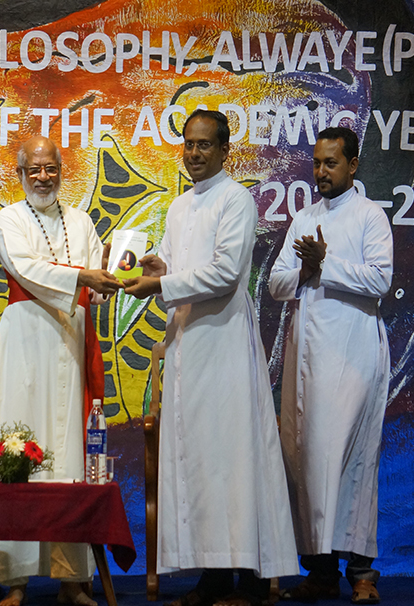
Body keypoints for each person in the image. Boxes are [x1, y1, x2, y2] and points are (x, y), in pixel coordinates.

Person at [123, 110, 298, 606]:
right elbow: (175, 275)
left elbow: (225, 274)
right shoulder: (179, 206)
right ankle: (215, 576)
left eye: (204, 145)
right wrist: (157, 271)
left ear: (224, 150)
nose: (194, 153)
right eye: (188, 144)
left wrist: (163, 281)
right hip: (188, 344)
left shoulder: (235, 199)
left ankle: (253, 579)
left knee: (233, 460)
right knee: (201, 462)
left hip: (223, 344)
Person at [0, 135, 121, 606]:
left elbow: (95, 284)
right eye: (34, 169)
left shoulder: (80, 221)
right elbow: (26, 268)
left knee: (69, 453)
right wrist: (83, 277)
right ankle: (14, 580)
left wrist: (110, 279)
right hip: (25, 343)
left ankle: (71, 579)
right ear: (20, 173)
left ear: (61, 170)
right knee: (18, 448)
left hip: (70, 342)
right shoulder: (9, 218)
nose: (43, 177)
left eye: (50, 168)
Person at [269, 126, 393, 605]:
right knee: (306, 460)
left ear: (353, 165)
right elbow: (277, 283)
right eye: (317, 163)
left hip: (353, 353)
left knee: (352, 459)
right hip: (308, 357)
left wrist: (326, 265)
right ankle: (320, 572)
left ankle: (362, 573)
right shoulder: (304, 219)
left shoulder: (370, 216)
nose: (321, 172)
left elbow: (380, 280)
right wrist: (305, 270)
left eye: (331, 163)